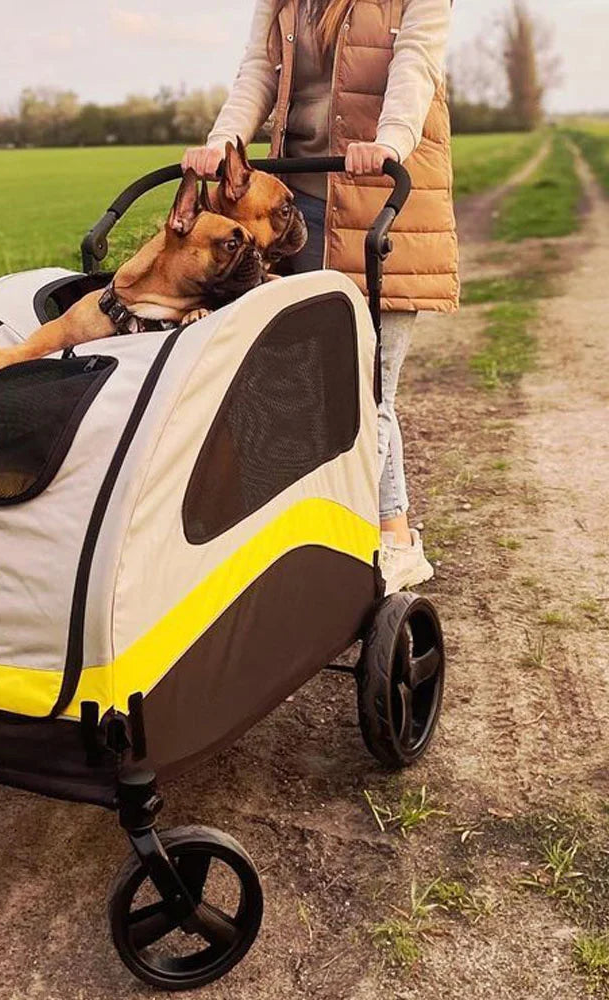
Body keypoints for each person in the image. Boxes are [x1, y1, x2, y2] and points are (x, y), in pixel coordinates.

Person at [183, 0, 458, 594]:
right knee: (293, 386)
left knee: (368, 388)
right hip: (294, 210)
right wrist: (222, 141)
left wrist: (389, 142)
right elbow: (257, 70)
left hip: (377, 192)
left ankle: (386, 539)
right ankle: (329, 533)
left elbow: (415, 65)